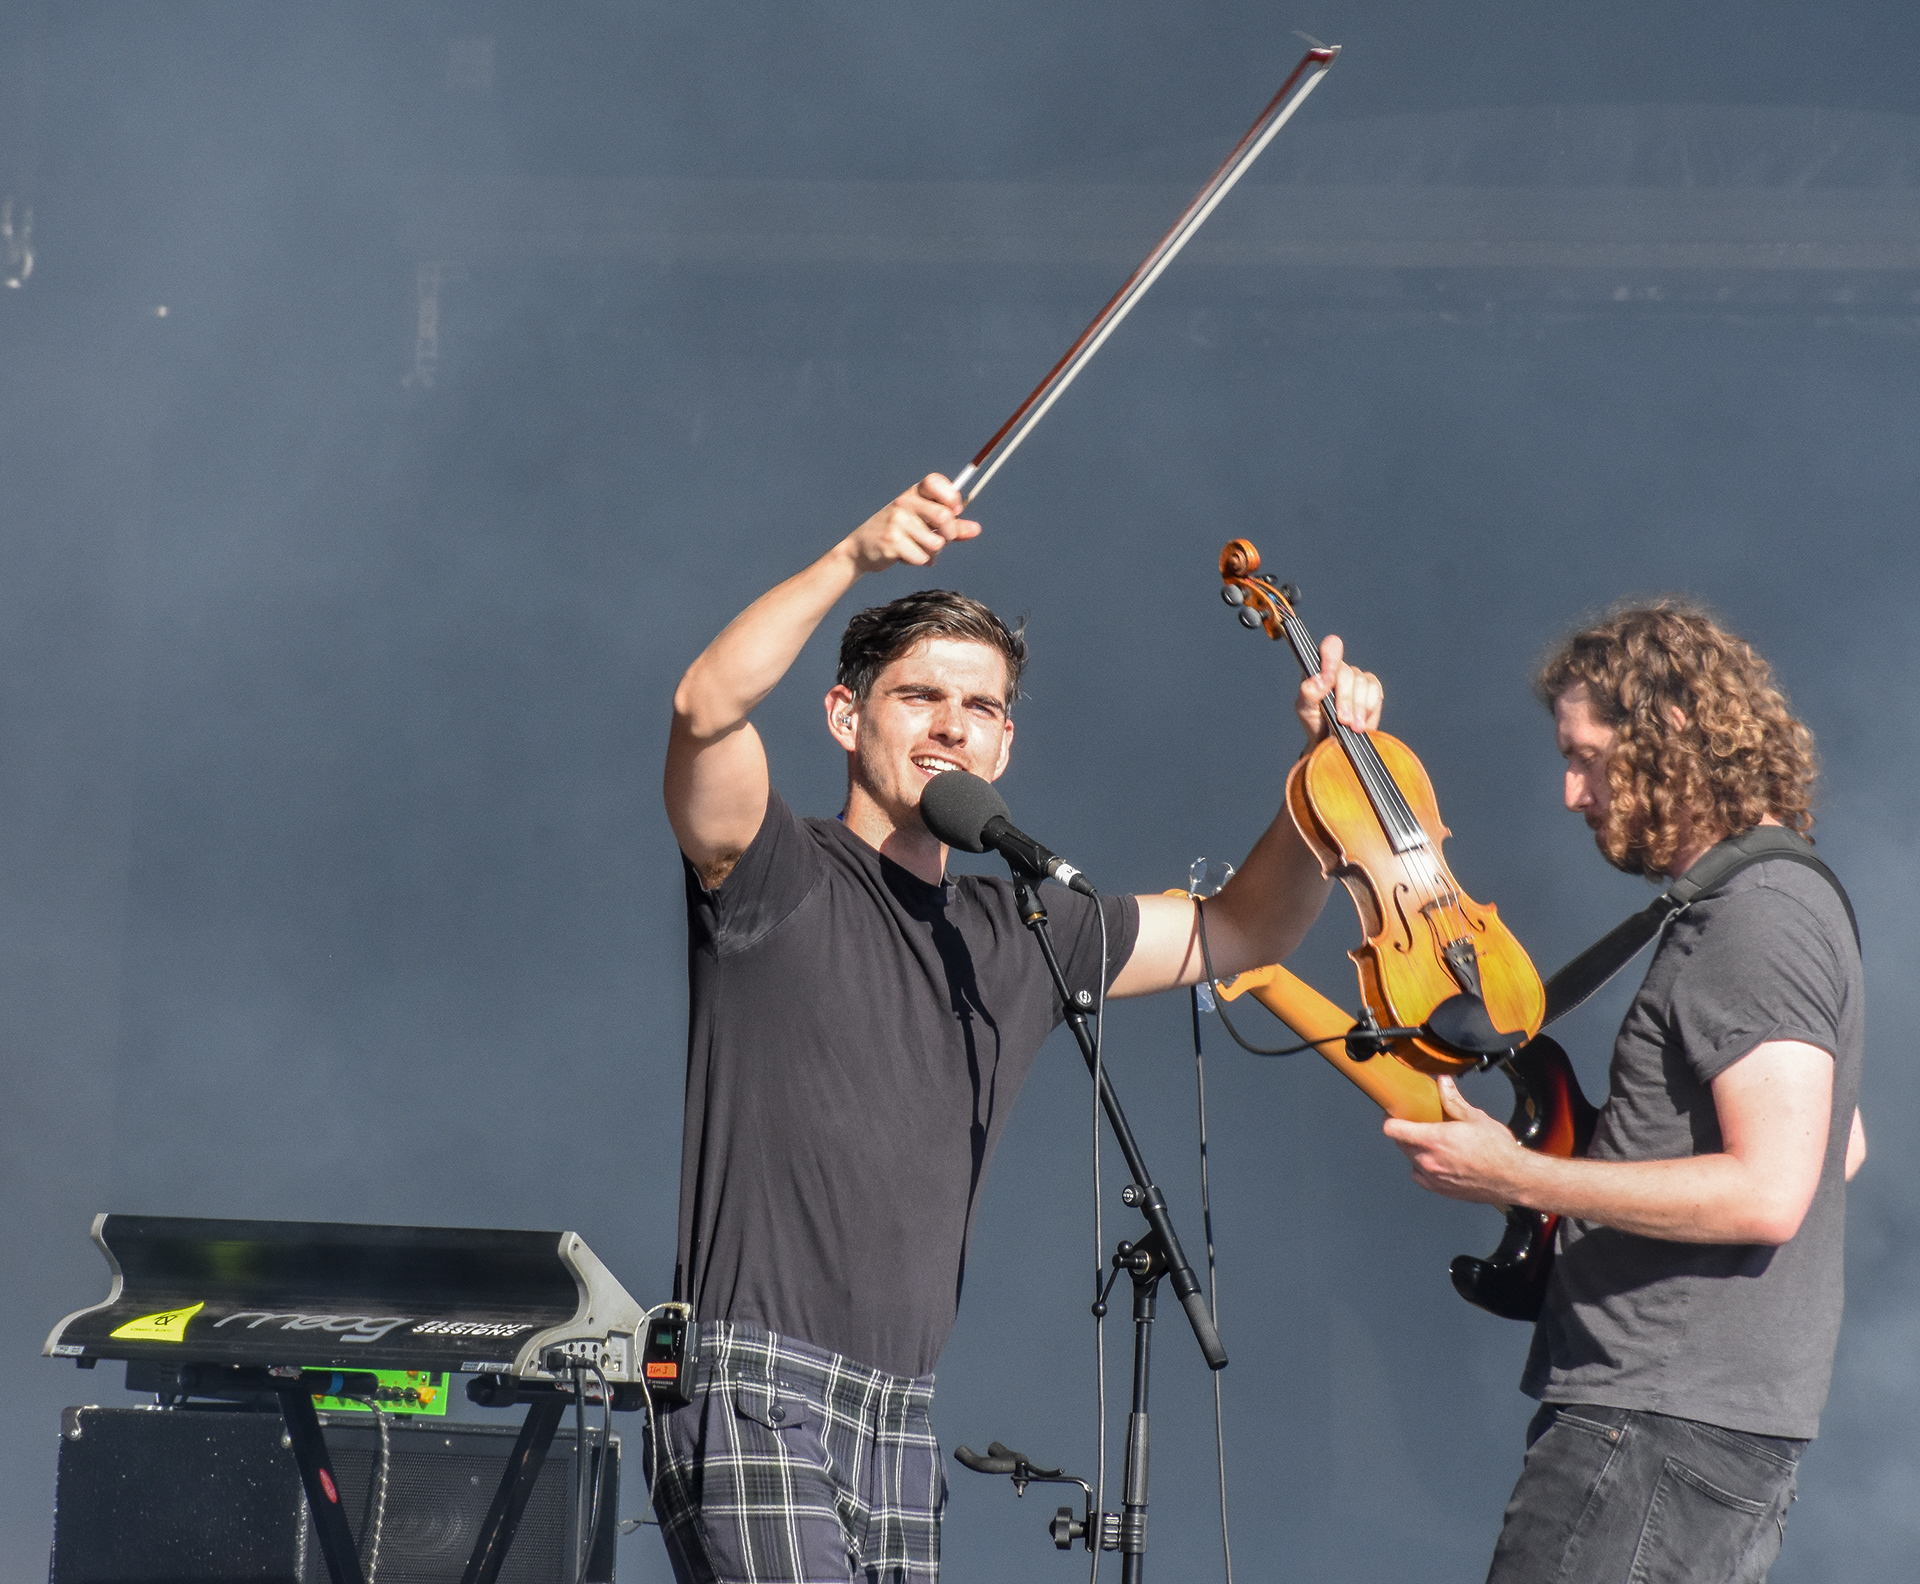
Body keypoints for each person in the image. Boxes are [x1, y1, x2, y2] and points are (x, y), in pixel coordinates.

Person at [656, 473, 1379, 1584]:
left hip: (900, 1415)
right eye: (920, 698)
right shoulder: (775, 871)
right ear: (847, 717)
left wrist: (1328, 771)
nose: (954, 725)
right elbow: (707, 707)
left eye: (983, 708)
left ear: (1006, 746)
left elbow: (1245, 930)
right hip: (758, 1385)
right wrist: (852, 558)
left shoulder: (1027, 926)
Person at [1384, 601, 1866, 1584]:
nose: (1571, 792)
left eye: (1587, 757)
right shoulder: (1771, 900)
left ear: (1672, 733)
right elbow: (1838, 1147)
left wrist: (1521, 1174)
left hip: (1650, 1433)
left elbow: (1775, 1190)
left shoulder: (1756, 918)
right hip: (1686, 1433)